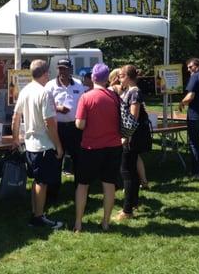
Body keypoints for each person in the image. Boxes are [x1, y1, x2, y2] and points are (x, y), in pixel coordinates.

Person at [11, 59, 63, 229]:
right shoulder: (44, 93)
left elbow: (15, 118)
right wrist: (59, 145)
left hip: (30, 144)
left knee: (36, 180)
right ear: (46, 73)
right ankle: (38, 217)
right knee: (42, 181)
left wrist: (15, 139)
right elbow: (50, 123)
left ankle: (36, 213)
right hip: (44, 145)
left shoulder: (25, 90)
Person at [73, 63, 122, 232]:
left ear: (93, 77)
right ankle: (106, 222)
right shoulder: (115, 97)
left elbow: (80, 124)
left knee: (83, 185)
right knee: (109, 185)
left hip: (90, 147)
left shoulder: (86, 97)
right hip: (113, 146)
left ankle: (78, 223)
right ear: (107, 79)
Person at [115, 65, 150, 220]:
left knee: (126, 172)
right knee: (131, 171)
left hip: (133, 137)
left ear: (128, 77)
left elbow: (133, 118)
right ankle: (133, 203)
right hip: (132, 136)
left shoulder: (134, 92)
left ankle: (127, 211)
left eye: (121, 75)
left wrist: (126, 137)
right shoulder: (129, 91)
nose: (119, 78)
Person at [44, 58, 84, 193]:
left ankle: (80, 191)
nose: (63, 71)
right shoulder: (50, 86)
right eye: (60, 68)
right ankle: (53, 193)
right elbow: (44, 106)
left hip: (74, 127)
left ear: (71, 69)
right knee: (56, 159)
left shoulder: (78, 84)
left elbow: (83, 105)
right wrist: (58, 108)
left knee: (78, 160)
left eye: (65, 69)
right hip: (57, 127)